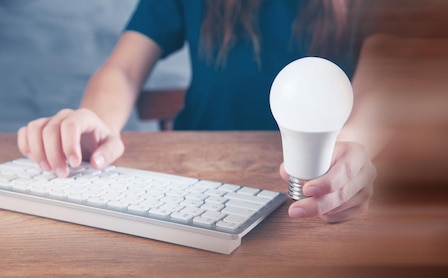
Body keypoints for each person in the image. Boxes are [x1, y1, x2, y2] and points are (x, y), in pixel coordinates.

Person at [16, 0, 378, 223]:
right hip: (201, 180)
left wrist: (350, 152)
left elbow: (390, 70)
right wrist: (94, 116)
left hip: (313, 188)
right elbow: (123, 69)